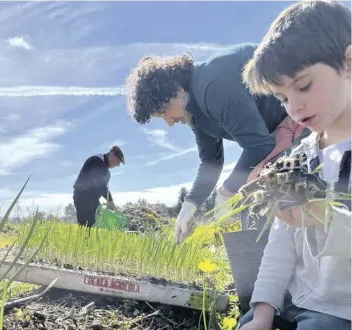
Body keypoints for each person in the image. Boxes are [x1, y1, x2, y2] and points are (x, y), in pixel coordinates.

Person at [235, 0, 351, 330]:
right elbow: (280, 243)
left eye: (303, 86)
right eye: (283, 98)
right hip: (297, 301)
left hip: (342, 313)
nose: (294, 107)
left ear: (349, 63)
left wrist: (326, 218)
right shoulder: (300, 158)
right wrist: (264, 309)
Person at [126, 44, 309, 243]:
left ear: (177, 90)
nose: (169, 122)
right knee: (258, 193)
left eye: (164, 112)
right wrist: (190, 204)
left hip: (303, 114)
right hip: (280, 132)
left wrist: (227, 191)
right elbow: (210, 162)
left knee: (276, 195)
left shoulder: (212, 86)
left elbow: (259, 145)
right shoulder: (195, 113)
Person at [72, 146, 125, 227]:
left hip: (93, 200)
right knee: (87, 228)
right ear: (112, 155)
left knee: (99, 225)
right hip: (83, 196)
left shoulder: (107, 172)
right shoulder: (97, 160)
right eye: (118, 161)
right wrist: (110, 201)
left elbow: (102, 188)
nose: (118, 165)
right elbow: (100, 184)